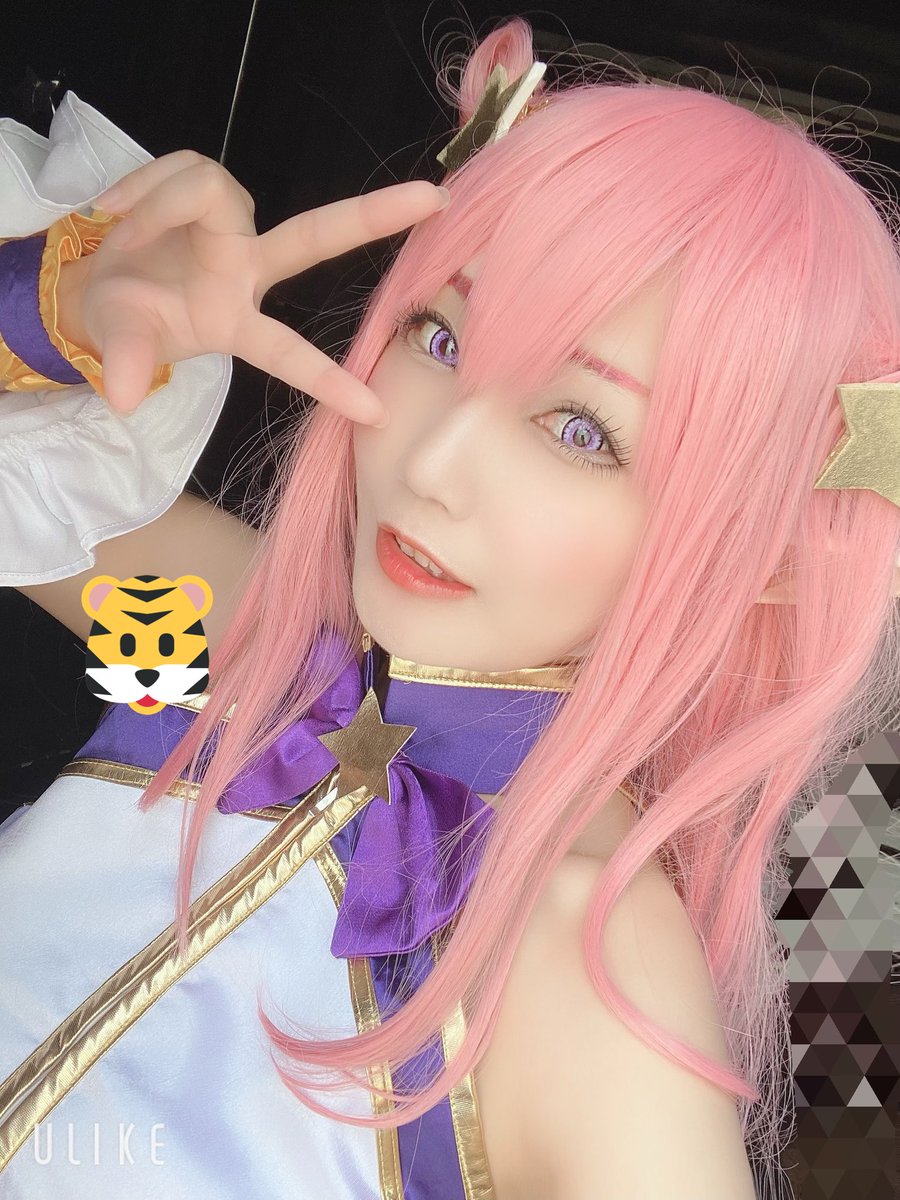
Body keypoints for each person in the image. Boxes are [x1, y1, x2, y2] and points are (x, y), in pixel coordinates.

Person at [1, 16, 899, 1200]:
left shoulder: (596, 986)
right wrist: (53, 309)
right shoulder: (234, 654)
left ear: (767, 550)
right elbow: (21, 501)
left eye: (582, 430)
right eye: (439, 335)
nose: (434, 462)